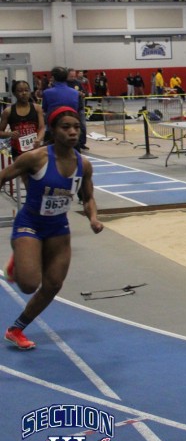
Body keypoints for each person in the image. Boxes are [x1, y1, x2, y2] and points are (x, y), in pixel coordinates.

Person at [1, 107, 103, 350]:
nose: (72, 132)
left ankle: (16, 329)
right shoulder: (36, 158)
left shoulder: (84, 165)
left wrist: (93, 218)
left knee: (53, 284)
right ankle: (19, 260)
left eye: (76, 127)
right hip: (30, 224)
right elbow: (3, 176)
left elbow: (88, 197)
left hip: (58, 228)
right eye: (66, 127)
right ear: (53, 130)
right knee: (28, 285)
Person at [0, 80, 45, 168]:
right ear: (14, 93)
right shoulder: (8, 112)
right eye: (20, 91)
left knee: (37, 172)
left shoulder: (37, 108)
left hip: (35, 149)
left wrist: (39, 139)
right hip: (18, 151)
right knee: (24, 172)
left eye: (26, 90)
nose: (24, 93)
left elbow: (42, 127)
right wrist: (9, 134)